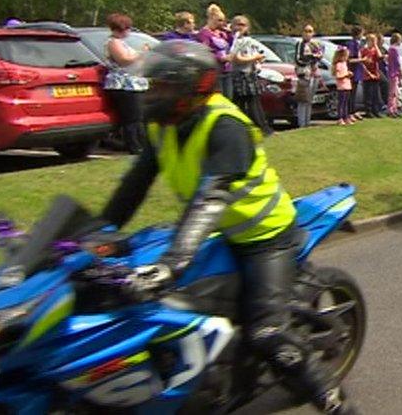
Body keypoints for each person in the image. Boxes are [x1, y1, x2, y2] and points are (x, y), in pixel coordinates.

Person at [98, 40, 355, 414]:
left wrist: (171, 264)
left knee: (268, 332)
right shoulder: (165, 128)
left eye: (162, 87)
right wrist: (95, 234)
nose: (153, 94)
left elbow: (211, 197)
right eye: (152, 86)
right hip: (218, 232)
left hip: (266, 238)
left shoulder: (225, 126)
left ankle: (335, 402)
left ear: (192, 89)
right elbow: (133, 187)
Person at [102, 12, 149, 154]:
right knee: (131, 117)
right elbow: (124, 60)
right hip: (122, 84)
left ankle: (141, 144)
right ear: (121, 28)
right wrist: (141, 52)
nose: (129, 31)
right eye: (128, 28)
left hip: (134, 83)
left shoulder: (121, 42)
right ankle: (134, 146)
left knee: (138, 116)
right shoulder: (113, 43)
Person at [228, 15, 272, 135]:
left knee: (254, 102)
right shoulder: (233, 40)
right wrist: (255, 58)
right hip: (239, 74)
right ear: (232, 26)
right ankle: (240, 129)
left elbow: (260, 54)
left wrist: (259, 59)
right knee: (239, 103)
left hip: (251, 74)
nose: (240, 27)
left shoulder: (250, 41)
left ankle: (262, 127)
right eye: (238, 24)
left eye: (243, 25)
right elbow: (236, 58)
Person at [198, 4, 233, 101]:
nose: (222, 23)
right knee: (220, 98)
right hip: (215, 70)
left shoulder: (221, 33)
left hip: (227, 69)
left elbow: (231, 45)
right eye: (219, 20)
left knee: (229, 98)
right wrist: (219, 58)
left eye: (223, 21)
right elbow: (205, 51)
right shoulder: (204, 33)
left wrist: (229, 33)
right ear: (211, 18)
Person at [294, 24, 323, 128]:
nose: (308, 33)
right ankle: (301, 123)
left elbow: (320, 56)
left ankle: (307, 122)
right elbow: (299, 59)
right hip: (304, 74)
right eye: (306, 31)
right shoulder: (300, 44)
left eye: (310, 31)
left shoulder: (315, 44)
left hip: (314, 74)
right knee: (303, 99)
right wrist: (311, 57)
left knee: (310, 100)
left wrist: (317, 57)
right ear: (302, 32)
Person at [345, 26, 366, 120]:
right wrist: (361, 59)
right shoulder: (351, 44)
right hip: (352, 71)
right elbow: (350, 59)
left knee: (354, 92)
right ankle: (349, 112)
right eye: (362, 33)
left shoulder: (359, 44)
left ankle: (353, 111)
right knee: (351, 93)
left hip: (358, 71)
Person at [360, 34, 383, 118]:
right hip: (367, 75)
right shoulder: (364, 50)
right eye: (372, 41)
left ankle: (376, 110)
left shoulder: (375, 50)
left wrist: (376, 46)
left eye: (375, 41)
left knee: (375, 94)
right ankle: (368, 111)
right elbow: (362, 63)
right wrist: (368, 73)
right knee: (368, 94)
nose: (373, 43)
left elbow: (380, 57)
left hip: (375, 73)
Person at [333, 47, 354, 125]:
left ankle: (346, 117)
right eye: (345, 56)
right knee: (341, 103)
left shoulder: (344, 64)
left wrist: (348, 73)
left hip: (347, 85)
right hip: (341, 86)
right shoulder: (338, 64)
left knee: (346, 103)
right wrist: (346, 75)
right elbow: (338, 76)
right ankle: (340, 118)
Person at [386, 33, 402, 117]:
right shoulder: (394, 49)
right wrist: (401, 70)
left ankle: (394, 108)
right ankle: (391, 109)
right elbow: (397, 62)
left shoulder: (390, 49)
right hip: (394, 73)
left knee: (395, 92)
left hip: (392, 72)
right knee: (393, 92)